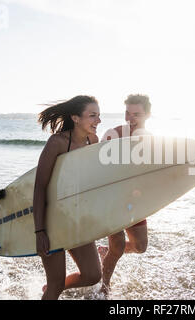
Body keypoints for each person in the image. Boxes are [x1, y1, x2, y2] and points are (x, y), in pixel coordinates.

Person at [33, 95, 102, 300]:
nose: (98, 121)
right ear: (76, 118)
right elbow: (39, 187)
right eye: (92, 115)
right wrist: (39, 231)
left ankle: (52, 289)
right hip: (53, 219)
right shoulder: (58, 142)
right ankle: (53, 289)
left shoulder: (93, 140)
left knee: (92, 275)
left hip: (77, 217)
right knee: (56, 283)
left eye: (99, 116)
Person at [98, 94, 152, 295]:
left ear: (148, 114)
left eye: (136, 114)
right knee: (118, 244)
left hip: (134, 200)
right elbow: (96, 163)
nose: (130, 118)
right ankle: (104, 287)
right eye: (127, 113)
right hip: (113, 198)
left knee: (140, 246)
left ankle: (105, 252)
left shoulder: (150, 140)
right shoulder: (114, 134)